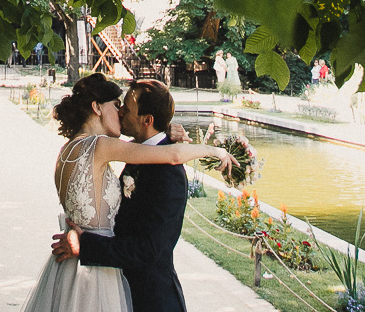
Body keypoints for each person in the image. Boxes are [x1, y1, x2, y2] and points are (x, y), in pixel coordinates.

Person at [32, 76, 228, 312]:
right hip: (99, 281)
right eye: (117, 105)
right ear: (96, 108)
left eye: (124, 106)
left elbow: (151, 249)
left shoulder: (167, 173)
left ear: (147, 120)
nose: (121, 112)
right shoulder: (105, 148)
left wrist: (86, 246)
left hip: (149, 298)